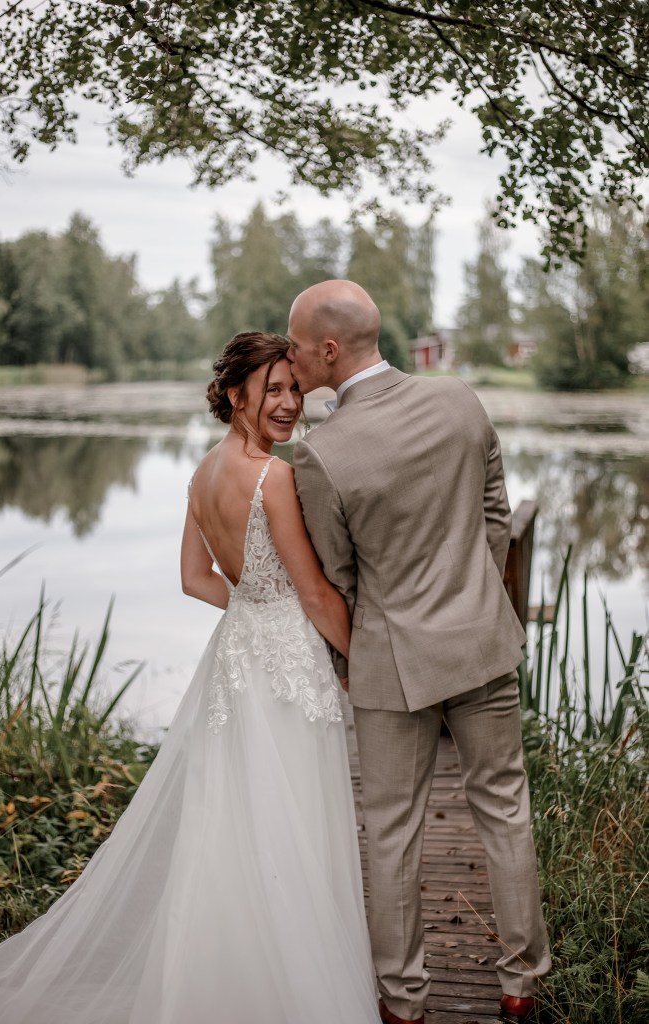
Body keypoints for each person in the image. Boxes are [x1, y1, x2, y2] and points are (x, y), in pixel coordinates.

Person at [0, 331, 381, 1024]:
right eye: (271, 390)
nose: (288, 403)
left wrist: (253, 606)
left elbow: (195, 580)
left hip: (236, 656)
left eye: (292, 389)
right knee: (294, 822)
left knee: (240, 820)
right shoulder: (272, 477)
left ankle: (219, 987)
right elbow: (314, 595)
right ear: (232, 395)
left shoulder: (201, 476)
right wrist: (361, 666)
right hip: (285, 664)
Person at [287, 281, 551, 1024]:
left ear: (330, 350)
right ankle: (519, 985)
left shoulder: (321, 455)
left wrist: (368, 641)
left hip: (390, 665)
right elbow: (495, 514)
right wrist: (469, 589)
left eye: (299, 347)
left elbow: (339, 576)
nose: (293, 359)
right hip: (483, 644)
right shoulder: (461, 400)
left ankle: (404, 1002)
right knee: (505, 811)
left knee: (392, 832)